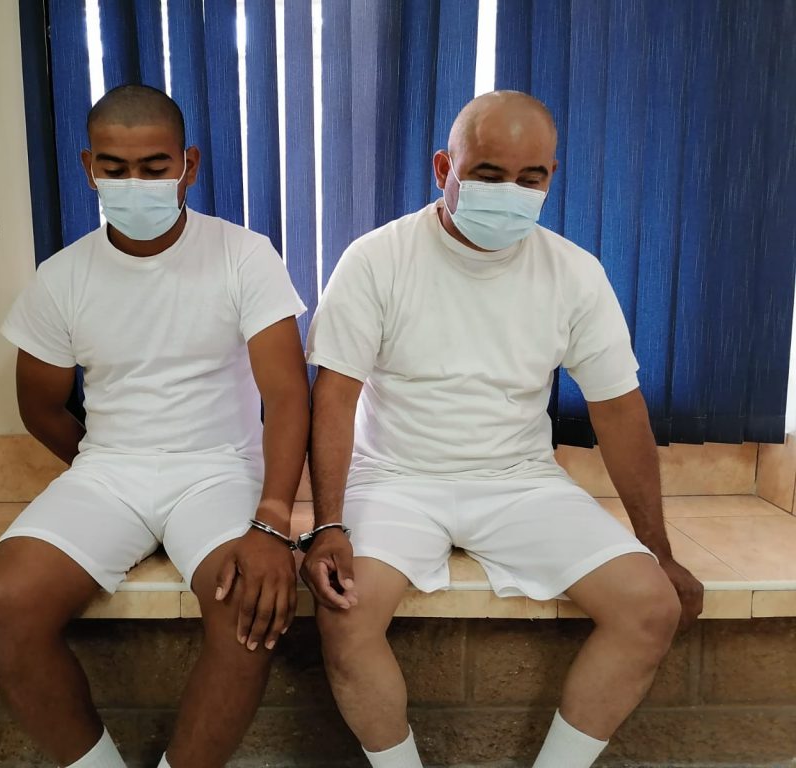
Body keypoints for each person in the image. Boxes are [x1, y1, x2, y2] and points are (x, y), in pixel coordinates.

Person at [300, 90, 704, 768]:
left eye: (530, 178)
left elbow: (618, 410)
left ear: (551, 177)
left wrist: (656, 546)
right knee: (344, 615)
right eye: (488, 173)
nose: (509, 192)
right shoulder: (376, 259)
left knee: (650, 607)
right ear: (444, 168)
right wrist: (329, 525)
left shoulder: (574, 273)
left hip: (519, 482)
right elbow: (334, 400)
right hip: (395, 477)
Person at [0, 84, 309, 768]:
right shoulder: (62, 278)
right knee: (4, 605)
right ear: (87, 167)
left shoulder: (245, 256)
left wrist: (273, 521)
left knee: (249, 607)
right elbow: (40, 406)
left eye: (154, 167)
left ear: (189, 165)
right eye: (115, 167)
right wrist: (103, 463)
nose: (134, 183)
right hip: (109, 472)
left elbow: (286, 396)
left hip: (219, 471)